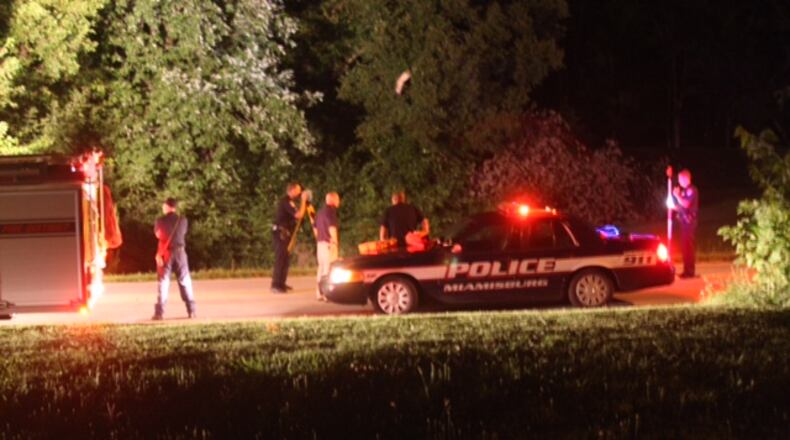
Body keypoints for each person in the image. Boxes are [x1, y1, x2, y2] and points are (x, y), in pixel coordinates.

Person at [153, 197, 195, 320]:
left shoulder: (160, 221)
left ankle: (159, 313)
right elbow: (183, 233)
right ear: (175, 207)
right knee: (185, 281)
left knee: (163, 282)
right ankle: (191, 310)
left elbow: (158, 235)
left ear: (167, 207)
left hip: (166, 254)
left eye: (164, 206)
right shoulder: (183, 220)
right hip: (181, 253)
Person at [271, 182, 309, 293]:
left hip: (286, 233)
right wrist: (303, 201)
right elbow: (299, 215)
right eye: (298, 190)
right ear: (291, 190)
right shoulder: (285, 201)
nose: (299, 192)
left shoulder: (290, 202)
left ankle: (281, 283)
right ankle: (275, 285)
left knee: (286, 259)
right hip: (280, 233)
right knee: (281, 258)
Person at [672, 169, 699, 278]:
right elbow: (682, 206)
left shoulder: (692, 190)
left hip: (689, 222)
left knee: (688, 247)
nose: (679, 181)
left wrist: (677, 195)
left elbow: (686, 204)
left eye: (680, 179)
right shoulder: (684, 191)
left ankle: (690, 271)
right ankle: (686, 271)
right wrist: (674, 206)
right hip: (683, 223)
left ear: (685, 178)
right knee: (684, 247)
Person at [313, 192, 340, 301]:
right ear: (333, 200)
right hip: (329, 244)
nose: (339, 202)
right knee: (328, 269)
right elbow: (332, 227)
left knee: (321, 268)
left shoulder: (320, 212)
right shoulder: (331, 212)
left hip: (320, 243)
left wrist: (319, 238)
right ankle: (326, 294)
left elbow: (315, 228)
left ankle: (318, 292)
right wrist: (335, 242)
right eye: (337, 199)